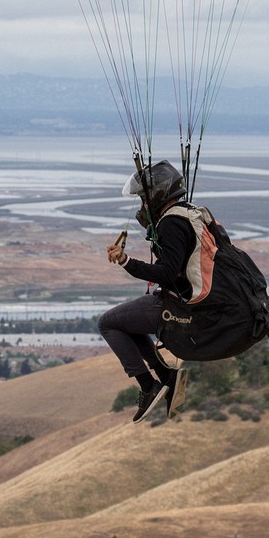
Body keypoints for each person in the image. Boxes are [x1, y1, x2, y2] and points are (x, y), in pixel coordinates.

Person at [99, 160, 194, 423]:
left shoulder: (171, 223)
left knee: (107, 323)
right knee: (128, 323)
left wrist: (127, 262)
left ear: (157, 196)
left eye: (144, 199)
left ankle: (148, 385)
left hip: (179, 306)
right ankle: (166, 376)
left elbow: (166, 272)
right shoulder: (189, 214)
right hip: (189, 300)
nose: (142, 206)